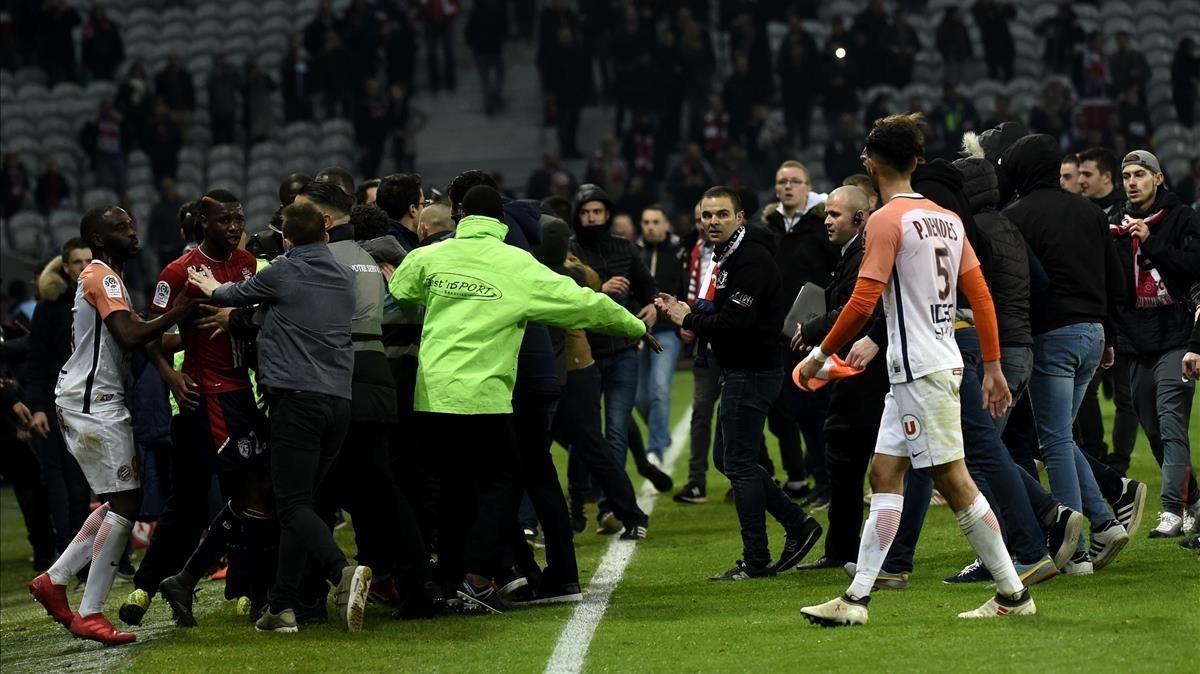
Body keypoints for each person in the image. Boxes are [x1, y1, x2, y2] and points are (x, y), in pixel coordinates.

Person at [799, 113, 1033, 626]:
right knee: (885, 473)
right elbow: (982, 296)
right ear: (916, 160)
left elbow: (862, 301)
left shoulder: (886, 220)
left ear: (869, 160)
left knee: (954, 481)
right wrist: (991, 365)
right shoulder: (947, 217)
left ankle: (1013, 594)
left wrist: (819, 356)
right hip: (929, 365)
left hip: (921, 370)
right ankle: (856, 600)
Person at [388, 185, 649, 612]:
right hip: (483, 394)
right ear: (501, 220)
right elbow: (581, 303)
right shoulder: (517, 264)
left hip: (432, 394)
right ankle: (475, 577)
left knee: (453, 488)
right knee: (505, 481)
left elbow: (401, 289)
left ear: (459, 215)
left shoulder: (430, 256)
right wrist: (634, 326)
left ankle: (447, 579)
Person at [188, 201, 371, 634]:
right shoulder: (344, 277)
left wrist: (208, 282)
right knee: (300, 506)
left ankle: (340, 573)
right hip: (339, 404)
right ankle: (282, 607)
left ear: (287, 240)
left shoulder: (283, 271)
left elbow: (228, 296)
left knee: (289, 504)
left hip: (297, 402)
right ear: (326, 236)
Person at [29, 205, 194, 645]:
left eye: (131, 223)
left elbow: (145, 334)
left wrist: (193, 329)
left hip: (95, 399)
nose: (132, 230)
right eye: (120, 227)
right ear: (99, 239)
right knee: (126, 502)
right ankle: (90, 610)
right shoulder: (100, 276)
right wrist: (181, 309)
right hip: (92, 401)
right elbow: (131, 336)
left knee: (120, 499)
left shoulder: (110, 279)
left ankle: (56, 579)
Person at [120, 190, 276, 629]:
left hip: (239, 393)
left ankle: (162, 585)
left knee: (197, 501)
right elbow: (150, 332)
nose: (233, 227)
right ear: (203, 223)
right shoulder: (177, 272)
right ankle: (253, 594)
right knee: (252, 492)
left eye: (238, 219)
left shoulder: (247, 265)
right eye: (225, 220)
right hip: (209, 398)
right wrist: (170, 376)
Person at [657, 186, 823, 581]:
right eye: (706, 215)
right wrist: (690, 308)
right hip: (740, 370)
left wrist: (687, 319)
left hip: (751, 370)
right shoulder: (730, 256)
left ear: (740, 217)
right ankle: (798, 523)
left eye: (721, 214)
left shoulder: (750, 260)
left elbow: (735, 325)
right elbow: (727, 313)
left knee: (740, 464)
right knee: (727, 459)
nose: (712, 221)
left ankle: (757, 557)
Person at [1001, 133, 1130, 572]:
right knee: (1061, 436)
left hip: (1051, 335)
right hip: (1092, 334)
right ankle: (1105, 522)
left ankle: (1073, 552)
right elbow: (1116, 280)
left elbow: (1020, 281)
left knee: (1054, 439)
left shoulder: (1016, 216)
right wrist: (1108, 335)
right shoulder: (1090, 211)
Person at [791, 185, 888, 570]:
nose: (827, 221)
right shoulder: (851, 253)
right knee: (850, 454)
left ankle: (854, 552)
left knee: (849, 451)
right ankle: (849, 550)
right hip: (861, 374)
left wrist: (816, 330)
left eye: (835, 215)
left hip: (867, 376)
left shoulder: (864, 253)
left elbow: (859, 308)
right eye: (827, 214)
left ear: (860, 219)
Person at [1110, 151, 1200, 537]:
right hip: (1136, 339)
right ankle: (1193, 500)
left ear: (1158, 179)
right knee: (1153, 427)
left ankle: (1171, 510)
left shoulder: (1181, 218)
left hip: (1177, 335)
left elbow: (1195, 267)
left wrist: (1152, 242)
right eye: (1127, 175)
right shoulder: (1114, 222)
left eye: (1140, 175)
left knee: (1171, 422)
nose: (1132, 181)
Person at [761, 160, 837, 505]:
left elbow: (836, 275)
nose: (787, 187)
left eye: (795, 181)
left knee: (818, 410)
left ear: (808, 186)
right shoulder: (768, 227)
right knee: (793, 411)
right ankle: (819, 479)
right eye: (782, 181)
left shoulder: (822, 225)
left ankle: (829, 483)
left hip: (819, 334)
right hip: (780, 335)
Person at [25, 240, 93, 561]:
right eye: (77, 262)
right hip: (56, 402)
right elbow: (36, 361)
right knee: (60, 483)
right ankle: (69, 556)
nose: (83, 267)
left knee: (80, 484)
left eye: (88, 260)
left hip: (88, 401)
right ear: (65, 267)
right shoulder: (49, 307)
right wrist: (37, 406)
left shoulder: (96, 299)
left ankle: (81, 558)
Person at [633, 205, 684, 463]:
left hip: (666, 332)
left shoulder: (678, 253)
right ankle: (662, 435)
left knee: (659, 389)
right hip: (637, 333)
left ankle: (655, 451)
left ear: (666, 224)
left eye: (655, 221)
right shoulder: (634, 252)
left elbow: (685, 289)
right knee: (639, 397)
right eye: (646, 222)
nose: (650, 226)